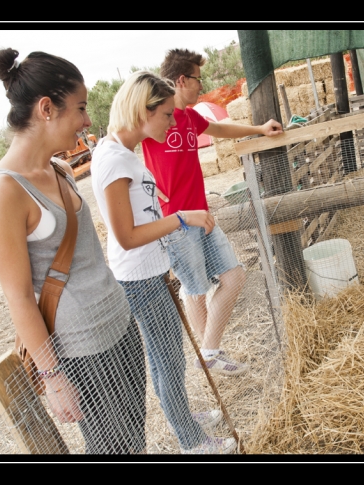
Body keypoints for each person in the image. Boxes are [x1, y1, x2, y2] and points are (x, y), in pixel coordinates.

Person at [0, 48, 147, 454]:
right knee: (112, 449)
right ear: (46, 108)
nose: (88, 120)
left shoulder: (58, 168)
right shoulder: (3, 192)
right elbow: (18, 295)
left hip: (119, 325)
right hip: (82, 349)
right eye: (80, 108)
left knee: (134, 440)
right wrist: (52, 375)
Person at [90, 70, 236, 454]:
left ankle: (183, 418)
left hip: (151, 271)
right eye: (167, 114)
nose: (173, 122)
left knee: (169, 356)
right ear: (144, 110)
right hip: (138, 279)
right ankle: (190, 440)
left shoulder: (122, 154)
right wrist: (182, 217)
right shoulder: (114, 160)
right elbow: (126, 236)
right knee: (168, 360)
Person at [142, 48, 284, 376]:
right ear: (181, 79)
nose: (200, 87)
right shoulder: (152, 117)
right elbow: (123, 140)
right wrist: (144, 184)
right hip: (176, 222)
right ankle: (210, 355)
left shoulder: (191, 117)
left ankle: (208, 352)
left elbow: (220, 130)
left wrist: (260, 129)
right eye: (197, 80)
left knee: (234, 275)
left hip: (203, 215)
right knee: (194, 290)